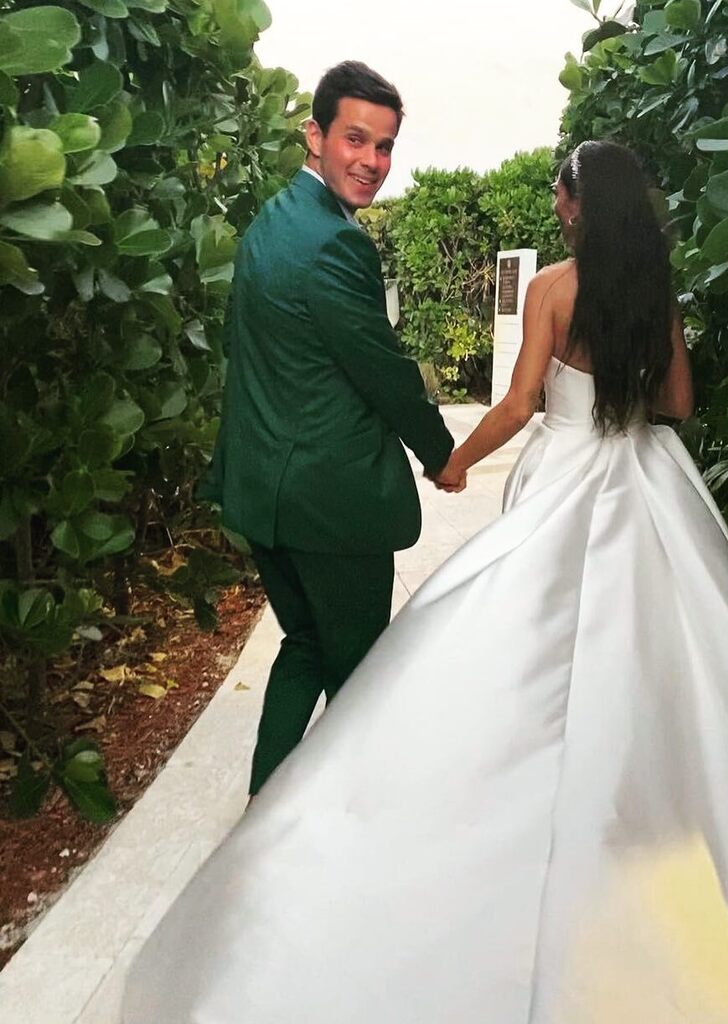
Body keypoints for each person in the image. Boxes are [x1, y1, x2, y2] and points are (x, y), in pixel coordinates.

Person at [125, 141, 728, 1023]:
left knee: (520, 641)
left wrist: (454, 463)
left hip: (562, 480)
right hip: (647, 482)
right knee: (673, 650)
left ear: (568, 205)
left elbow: (518, 405)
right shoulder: (654, 288)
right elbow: (679, 404)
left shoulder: (554, 287)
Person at [198, 61, 458, 797]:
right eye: (355, 139)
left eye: (384, 147)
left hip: (267, 497)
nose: (371, 162)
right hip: (330, 504)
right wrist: (443, 454)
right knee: (361, 680)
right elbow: (383, 370)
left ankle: (264, 817)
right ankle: (349, 844)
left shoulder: (269, 224)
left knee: (305, 646)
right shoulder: (334, 244)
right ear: (314, 135)